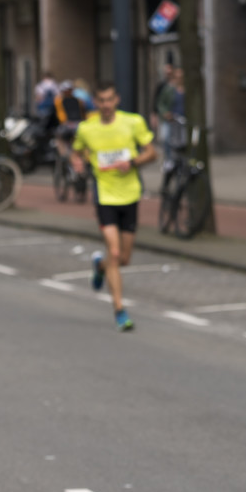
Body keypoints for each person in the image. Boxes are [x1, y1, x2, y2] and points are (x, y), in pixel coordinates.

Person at [71, 82, 157, 332]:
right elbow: (76, 152)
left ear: (116, 100)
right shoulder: (86, 129)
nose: (106, 105)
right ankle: (120, 310)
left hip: (130, 195)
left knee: (124, 259)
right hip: (104, 195)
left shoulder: (133, 122)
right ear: (95, 103)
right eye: (101, 101)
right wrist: (76, 163)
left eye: (110, 100)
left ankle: (99, 265)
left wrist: (133, 162)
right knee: (116, 253)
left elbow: (152, 152)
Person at [53, 80, 86, 159]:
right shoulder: (78, 100)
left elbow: (61, 116)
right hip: (79, 124)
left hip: (68, 125)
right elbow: (83, 113)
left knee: (58, 137)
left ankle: (64, 155)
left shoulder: (59, 100)